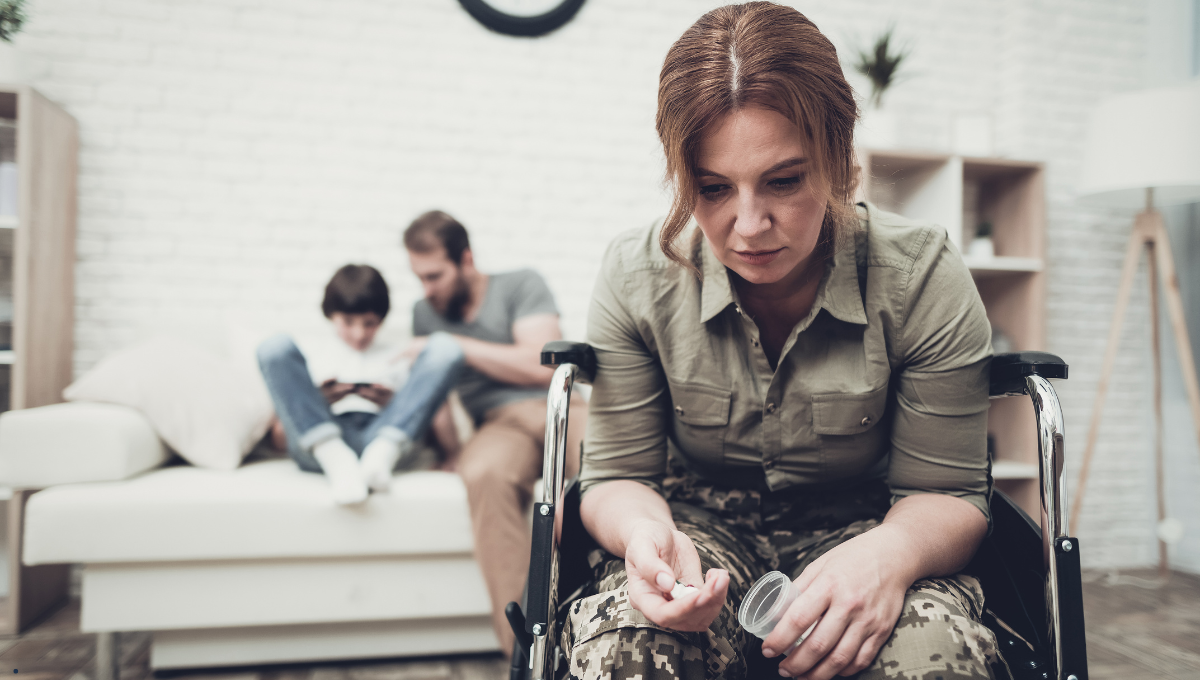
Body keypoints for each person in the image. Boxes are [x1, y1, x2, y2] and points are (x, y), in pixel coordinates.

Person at [565, 4, 1004, 680]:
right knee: (626, 646)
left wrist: (891, 556)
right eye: (712, 189)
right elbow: (617, 476)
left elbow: (949, 494)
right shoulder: (637, 274)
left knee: (930, 657)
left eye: (783, 180)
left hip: (870, 520)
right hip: (697, 523)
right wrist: (646, 538)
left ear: (837, 158)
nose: (748, 226)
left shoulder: (919, 275)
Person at [402, 210, 588, 655]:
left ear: (465, 258)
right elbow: (437, 398)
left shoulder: (520, 284)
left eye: (434, 276)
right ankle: (523, 655)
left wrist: (454, 346)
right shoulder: (423, 313)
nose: (427, 290)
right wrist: (448, 451)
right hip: (496, 426)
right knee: (483, 473)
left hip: (557, 406)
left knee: (606, 458)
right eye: (419, 279)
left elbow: (540, 366)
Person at [257, 264, 465, 504]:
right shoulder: (307, 359)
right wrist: (316, 402)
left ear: (381, 319)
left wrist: (395, 404)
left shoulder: (402, 355)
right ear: (331, 315)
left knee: (445, 348)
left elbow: (428, 423)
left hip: (384, 436)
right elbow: (280, 438)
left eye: (370, 323)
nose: (359, 334)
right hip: (322, 442)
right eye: (348, 322)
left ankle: (380, 456)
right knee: (274, 347)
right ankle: (335, 457)